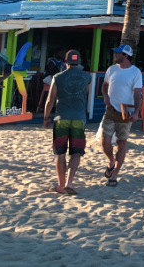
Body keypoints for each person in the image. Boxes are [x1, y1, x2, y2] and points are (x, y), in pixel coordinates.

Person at [43, 49, 91, 195]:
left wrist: (46, 117)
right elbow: (87, 92)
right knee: (76, 152)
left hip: (61, 118)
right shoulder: (87, 77)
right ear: (79, 61)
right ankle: (70, 182)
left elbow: (50, 99)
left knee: (61, 153)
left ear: (65, 61)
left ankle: (61, 185)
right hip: (79, 118)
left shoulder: (58, 77)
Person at [101, 44, 142, 187]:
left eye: (118, 53)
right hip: (110, 110)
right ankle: (111, 161)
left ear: (125, 55)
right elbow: (105, 84)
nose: (115, 55)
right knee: (105, 141)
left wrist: (136, 112)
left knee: (121, 142)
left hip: (126, 113)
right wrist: (106, 97)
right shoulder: (111, 69)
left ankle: (115, 173)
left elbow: (138, 93)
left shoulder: (135, 72)